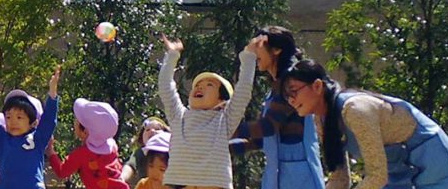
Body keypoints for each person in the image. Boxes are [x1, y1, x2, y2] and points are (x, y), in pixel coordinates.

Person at [282, 60, 448, 189]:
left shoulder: (354, 110)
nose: (291, 100)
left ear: (317, 86)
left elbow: (377, 176)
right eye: (286, 96)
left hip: (432, 161)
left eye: (294, 91)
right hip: (399, 172)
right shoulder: (321, 118)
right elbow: (340, 177)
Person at [157, 35, 257, 189]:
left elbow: (243, 91)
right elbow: (165, 87)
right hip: (178, 184)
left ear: (222, 101)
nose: (199, 87)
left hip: (214, 185)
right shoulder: (179, 116)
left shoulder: (225, 120)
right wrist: (172, 55)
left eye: (209, 85)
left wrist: (249, 56)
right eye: (196, 85)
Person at [230, 27, 324, 189]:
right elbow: (260, 140)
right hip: (280, 174)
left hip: (298, 176)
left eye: (257, 44)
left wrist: (223, 128)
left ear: (277, 50)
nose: (251, 49)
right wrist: (218, 145)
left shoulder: (291, 81)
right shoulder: (276, 88)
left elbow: (268, 127)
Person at [0, 66, 62, 189]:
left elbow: (49, 120)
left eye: (19, 117)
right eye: (8, 117)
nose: (13, 122)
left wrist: (52, 93)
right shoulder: (2, 139)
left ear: (32, 122)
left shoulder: (37, 138)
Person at [45, 98, 127, 189]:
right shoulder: (112, 146)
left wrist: (50, 150)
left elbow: (62, 171)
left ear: (85, 132)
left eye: (77, 120)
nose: (75, 121)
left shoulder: (82, 154)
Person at [120, 117, 168, 186]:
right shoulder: (139, 153)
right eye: (147, 129)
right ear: (141, 138)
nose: (151, 131)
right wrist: (122, 177)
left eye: (157, 129)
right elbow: (130, 166)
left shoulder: (172, 153)